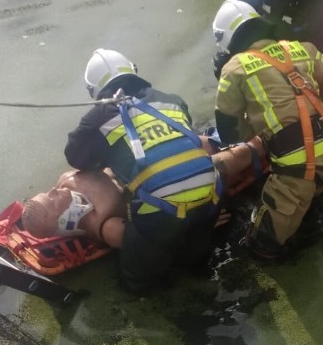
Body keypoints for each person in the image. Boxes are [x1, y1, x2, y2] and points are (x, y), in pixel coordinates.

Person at [63, 48, 265, 292]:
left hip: (161, 212)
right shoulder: (170, 99)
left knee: (136, 277)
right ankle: (198, 260)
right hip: (211, 197)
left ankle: (150, 291)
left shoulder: (101, 119)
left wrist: (96, 127)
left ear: (94, 91)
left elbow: (75, 157)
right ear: (133, 72)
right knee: (195, 253)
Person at [212, 0, 323, 260]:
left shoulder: (234, 68)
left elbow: (229, 130)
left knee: (260, 245)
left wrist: (257, 137)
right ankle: (308, 210)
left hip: (296, 173)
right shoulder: (302, 48)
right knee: (309, 200)